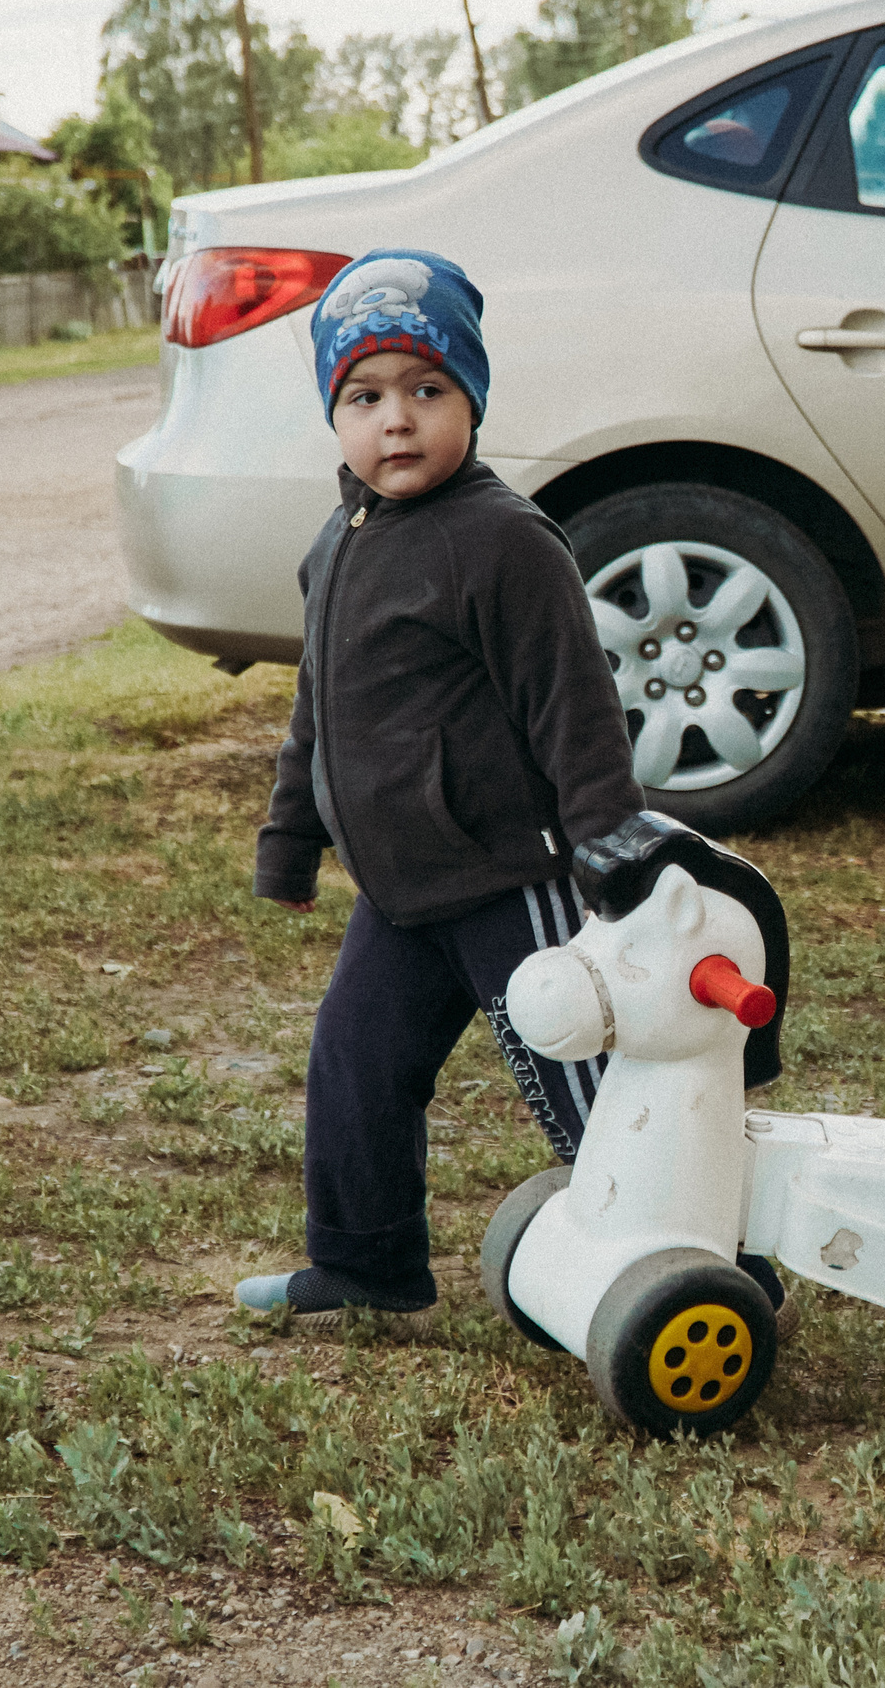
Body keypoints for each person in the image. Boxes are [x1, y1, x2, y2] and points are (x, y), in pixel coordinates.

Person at [231, 248, 644, 1328]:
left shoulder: (502, 540)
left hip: (513, 879)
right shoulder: (341, 541)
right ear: (335, 414)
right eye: (365, 397)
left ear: (472, 399)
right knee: (357, 1065)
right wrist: (289, 842)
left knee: (578, 1079)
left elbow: (574, 699)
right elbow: (316, 710)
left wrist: (608, 844)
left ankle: (686, 1250)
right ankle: (364, 1265)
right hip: (401, 891)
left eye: (427, 391)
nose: (396, 423)